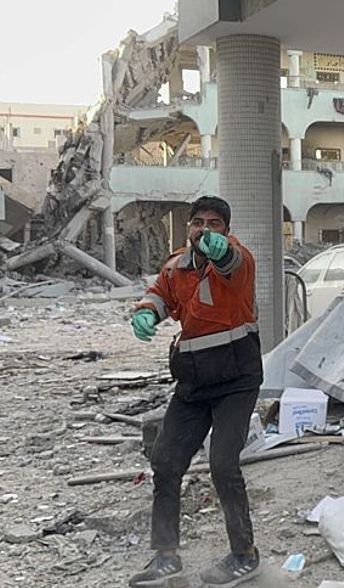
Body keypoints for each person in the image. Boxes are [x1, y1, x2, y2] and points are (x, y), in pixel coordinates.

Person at [128, 196, 263, 588]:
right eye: (198, 223)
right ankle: (166, 555)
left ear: (226, 230)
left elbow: (233, 265)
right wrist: (146, 311)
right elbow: (159, 294)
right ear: (187, 227)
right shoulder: (176, 267)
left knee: (223, 464)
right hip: (194, 382)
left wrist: (224, 253)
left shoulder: (239, 260)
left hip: (236, 380)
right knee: (165, 462)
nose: (205, 230)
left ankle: (244, 555)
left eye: (215, 224)